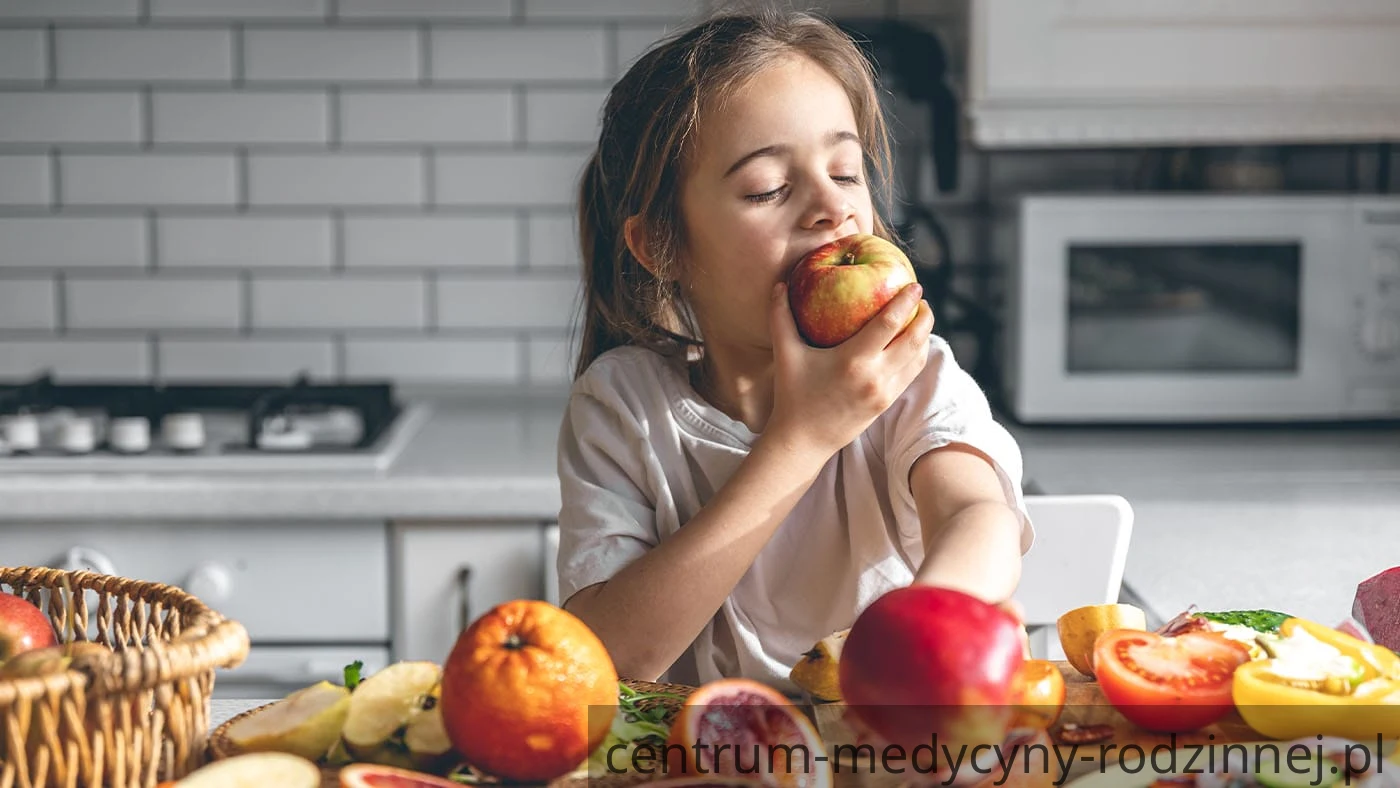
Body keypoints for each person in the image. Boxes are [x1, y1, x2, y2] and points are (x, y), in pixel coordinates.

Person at [555, 9, 1033, 693]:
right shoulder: (623, 406)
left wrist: (928, 626)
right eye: (768, 189)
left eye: (846, 172)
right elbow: (607, 659)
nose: (831, 207)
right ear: (661, 244)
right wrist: (804, 437)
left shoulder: (912, 376)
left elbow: (976, 515)